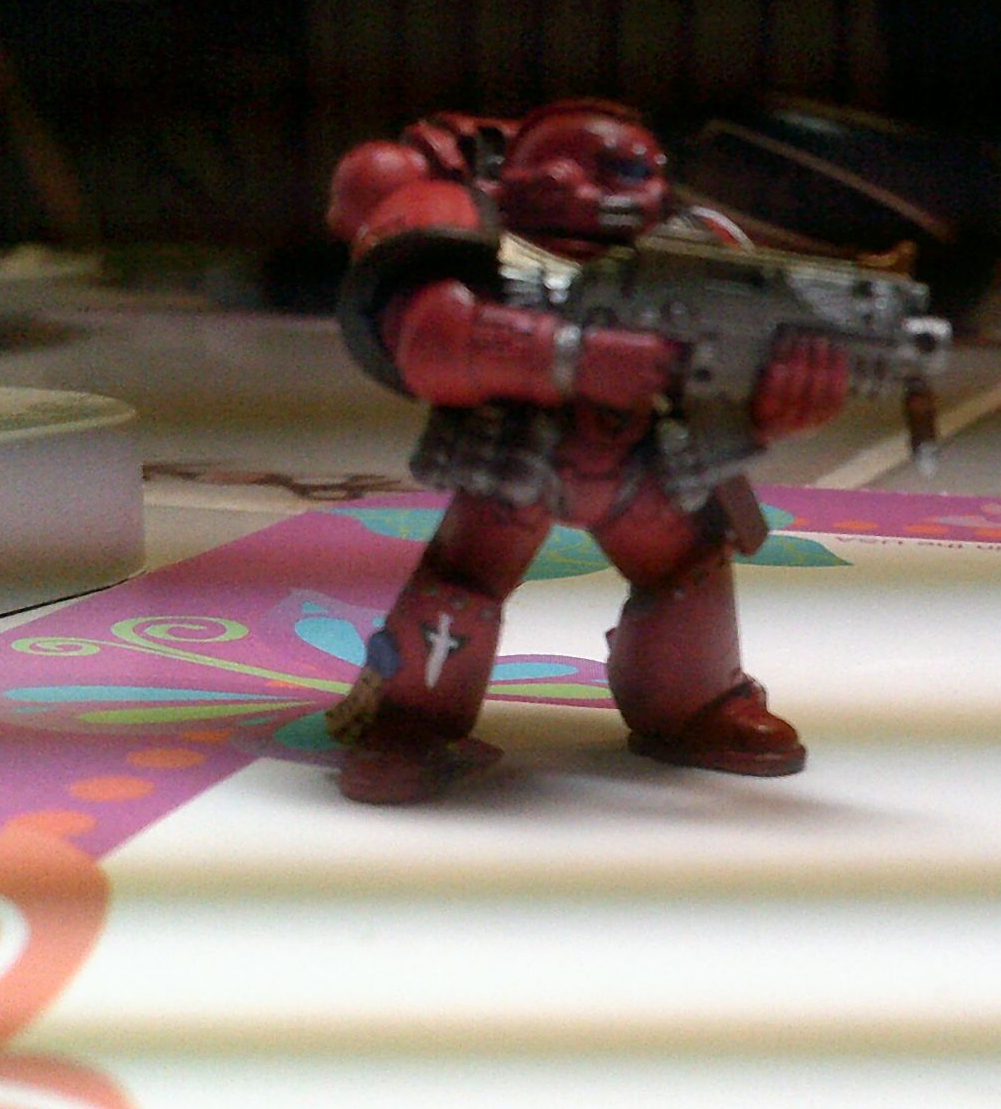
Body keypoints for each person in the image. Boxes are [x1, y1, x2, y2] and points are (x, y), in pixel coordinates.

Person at [324, 99, 848, 804]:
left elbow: (735, 374)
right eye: (621, 171)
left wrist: (782, 399)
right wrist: (571, 355)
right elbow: (429, 338)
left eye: (647, 171)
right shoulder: (471, 236)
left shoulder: (687, 252)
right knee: (461, 586)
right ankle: (412, 719)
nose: (641, 191)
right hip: (513, 456)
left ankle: (695, 705)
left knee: (688, 571)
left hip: (642, 461)